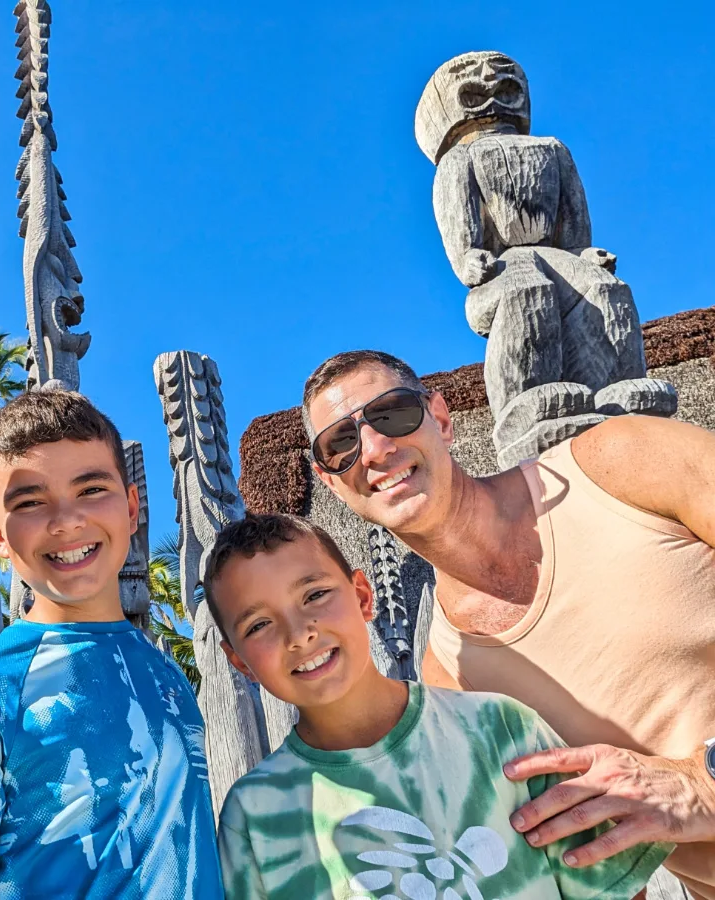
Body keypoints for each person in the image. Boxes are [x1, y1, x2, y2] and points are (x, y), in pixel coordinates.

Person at [300, 348, 715, 897]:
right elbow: (591, 869)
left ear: (441, 420)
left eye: (392, 413)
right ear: (331, 482)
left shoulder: (624, 464)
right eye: (340, 444)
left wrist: (701, 777)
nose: (374, 449)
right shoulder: (450, 679)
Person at [209, 512, 669, 900]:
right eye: (259, 624)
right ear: (240, 663)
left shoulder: (501, 729)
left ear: (364, 597)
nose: (299, 633)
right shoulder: (254, 816)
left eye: (314, 595)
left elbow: (614, 885)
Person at [0, 390, 223, 899]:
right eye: (30, 501)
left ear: (133, 507)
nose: (66, 520)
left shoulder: (167, 674)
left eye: (92, 489)